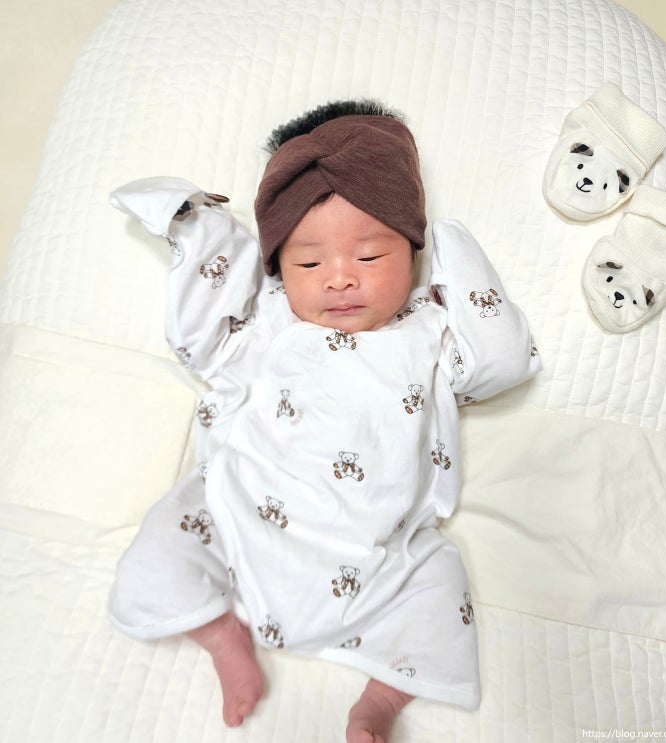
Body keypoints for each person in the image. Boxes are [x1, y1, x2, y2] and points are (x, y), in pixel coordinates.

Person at [108, 99, 541, 743]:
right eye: (308, 264)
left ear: (412, 249)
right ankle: (221, 634)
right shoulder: (269, 322)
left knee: (439, 586)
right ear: (279, 268)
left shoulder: (429, 331)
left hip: (381, 549)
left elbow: (503, 363)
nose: (339, 280)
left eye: (369, 257)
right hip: (242, 520)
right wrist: (198, 228)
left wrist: (461, 256)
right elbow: (201, 339)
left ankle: (381, 699)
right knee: (161, 547)